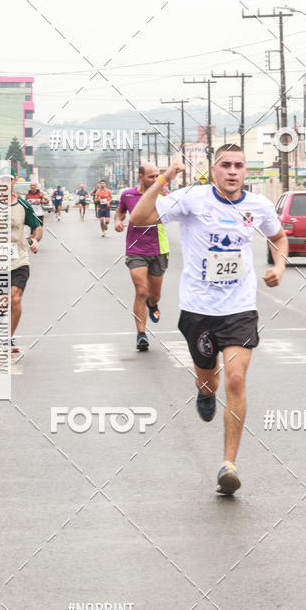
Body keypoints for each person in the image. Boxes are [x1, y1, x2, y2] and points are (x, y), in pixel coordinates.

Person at [129, 143, 288, 496]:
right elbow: (139, 219)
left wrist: (279, 264)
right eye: (226, 165)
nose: (233, 171)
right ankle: (203, 390)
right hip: (199, 310)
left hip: (240, 307)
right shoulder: (192, 199)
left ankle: (228, 465)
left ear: (246, 172)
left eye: (239, 166)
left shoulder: (258, 205)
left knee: (234, 378)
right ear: (213, 170)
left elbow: (278, 236)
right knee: (210, 381)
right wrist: (165, 179)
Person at [0, 168, 43, 354]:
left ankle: (8, 337)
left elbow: (37, 227)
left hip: (19, 258)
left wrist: (34, 240)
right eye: (2, 181)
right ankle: (0, 330)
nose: (5, 184)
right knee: (2, 302)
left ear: (14, 181)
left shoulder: (23, 205)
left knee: (15, 299)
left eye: (8, 180)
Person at [115, 163, 170, 352]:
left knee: (154, 295)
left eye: (157, 176)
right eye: (151, 177)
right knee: (141, 290)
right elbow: (120, 211)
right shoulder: (128, 195)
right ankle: (141, 334)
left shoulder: (164, 193)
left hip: (158, 248)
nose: (156, 180)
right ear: (140, 177)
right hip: (135, 249)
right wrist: (117, 221)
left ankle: (152, 303)